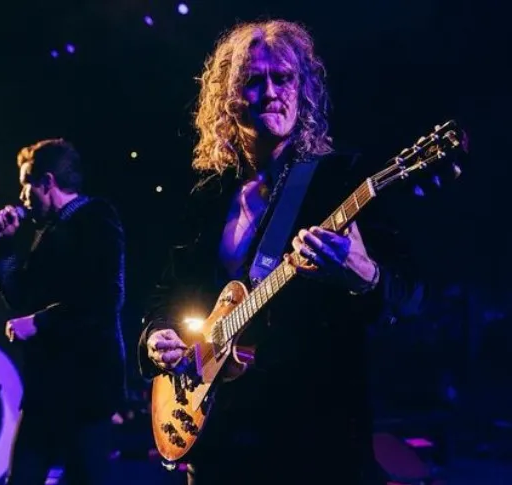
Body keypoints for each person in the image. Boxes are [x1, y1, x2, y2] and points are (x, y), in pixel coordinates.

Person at [139, 19, 445, 484]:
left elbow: (414, 295)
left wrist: (363, 274)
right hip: (222, 441)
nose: (271, 92)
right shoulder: (209, 197)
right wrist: (155, 338)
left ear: (303, 90)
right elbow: (167, 293)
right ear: (228, 99)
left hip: (314, 441)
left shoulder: (341, 181)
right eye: (253, 81)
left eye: (283, 78)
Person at [0, 138, 127, 485]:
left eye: (25, 186)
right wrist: (3, 244)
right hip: (47, 389)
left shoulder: (96, 218)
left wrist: (40, 323)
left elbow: (103, 300)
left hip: (86, 388)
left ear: (47, 182)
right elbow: (21, 296)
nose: (21, 198)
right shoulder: (46, 233)